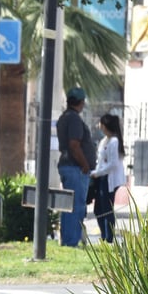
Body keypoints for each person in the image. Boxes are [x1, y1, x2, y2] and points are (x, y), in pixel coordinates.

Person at [56, 87, 96, 247]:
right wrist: (85, 164)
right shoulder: (73, 119)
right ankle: (71, 241)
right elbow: (74, 144)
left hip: (69, 166)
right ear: (81, 102)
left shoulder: (64, 117)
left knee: (68, 205)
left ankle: (68, 239)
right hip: (75, 168)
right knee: (76, 206)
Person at [90, 114, 126, 242]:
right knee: (98, 208)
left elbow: (112, 164)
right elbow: (102, 161)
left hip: (108, 179)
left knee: (106, 208)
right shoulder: (105, 140)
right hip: (101, 177)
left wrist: (98, 173)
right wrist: (96, 172)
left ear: (104, 125)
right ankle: (104, 234)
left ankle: (108, 238)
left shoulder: (114, 141)